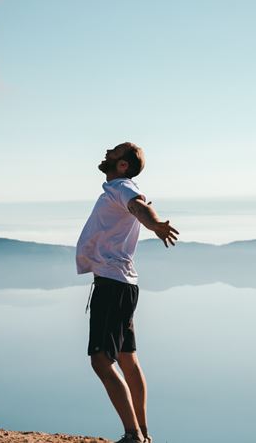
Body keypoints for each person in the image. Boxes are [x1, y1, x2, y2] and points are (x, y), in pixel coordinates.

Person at [76, 142, 179, 443]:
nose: (107, 152)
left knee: (100, 360)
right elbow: (138, 207)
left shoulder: (121, 188)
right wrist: (153, 223)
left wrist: (156, 224)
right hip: (123, 284)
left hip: (111, 284)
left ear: (122, 165)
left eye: (114, 152)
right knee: (126, 358)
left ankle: (133, 435)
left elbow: (140, 206)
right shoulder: (120, 188)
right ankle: (143, 433)